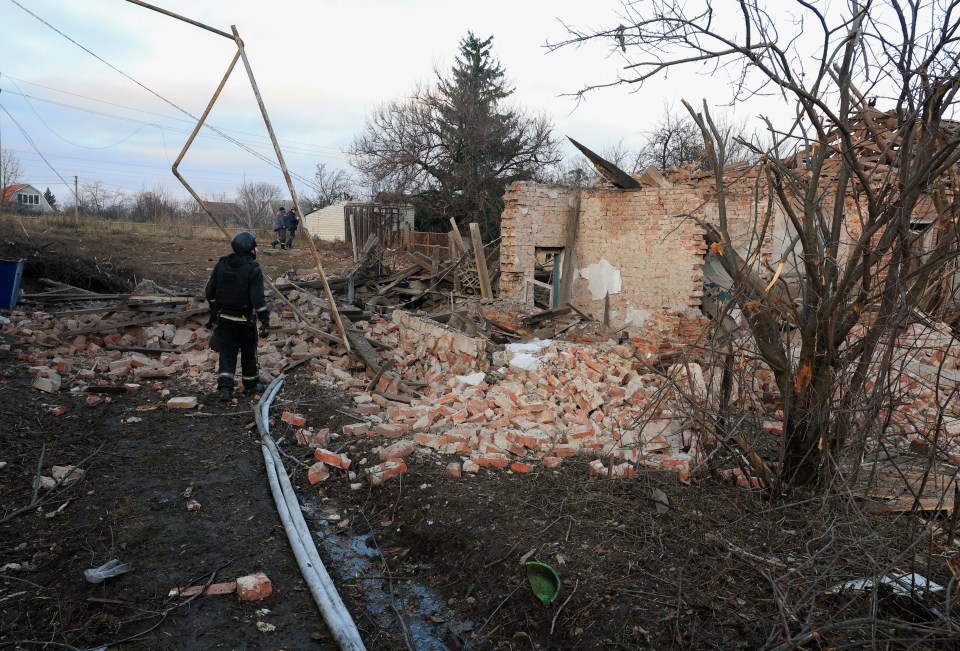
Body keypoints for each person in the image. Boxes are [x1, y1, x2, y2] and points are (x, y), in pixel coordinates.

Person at [205, 231, 271, 401]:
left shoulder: (222, 264)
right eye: (254, 247)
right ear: (250, 249)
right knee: (249, 353)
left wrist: (214, 313)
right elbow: (258, 299)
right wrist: (265, 321)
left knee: (227, 352)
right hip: (245, 321)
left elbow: (210, 292)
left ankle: (226, 388)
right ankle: (250, 386)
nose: (256, 250)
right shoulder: (253, 269)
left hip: (225, 320)